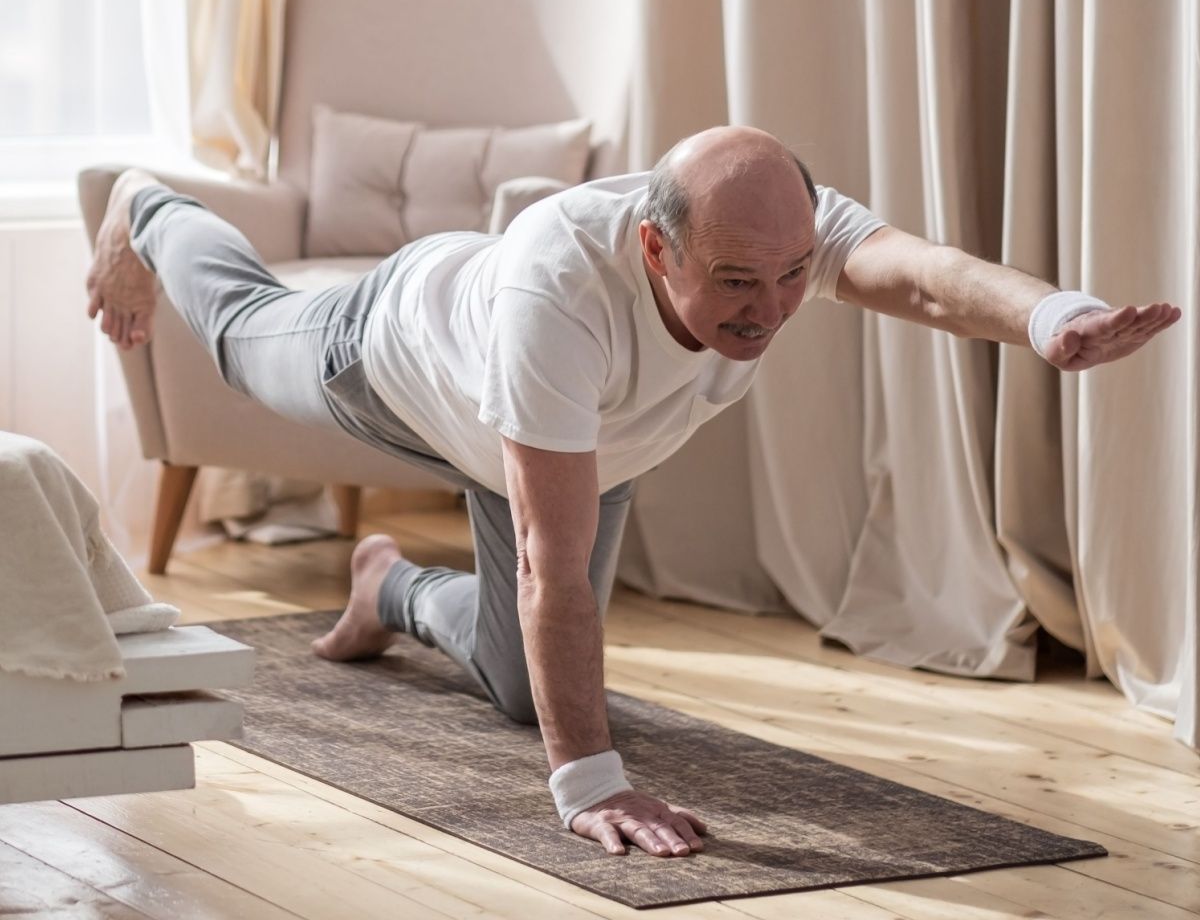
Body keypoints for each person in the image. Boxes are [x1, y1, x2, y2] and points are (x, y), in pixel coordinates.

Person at [86, 126, 1180, 859]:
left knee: (527, 695)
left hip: (574, 444)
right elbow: (549, 568)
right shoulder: (557, 299)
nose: (772, 309)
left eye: (792, 275)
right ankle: (152, 205)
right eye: (737, 282)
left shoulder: (774, 229)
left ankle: (391, 586)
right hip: (389, 359)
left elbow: (927, 279)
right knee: (236, 335)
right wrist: (589, 787)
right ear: (656, 247)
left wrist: (1051, 317)